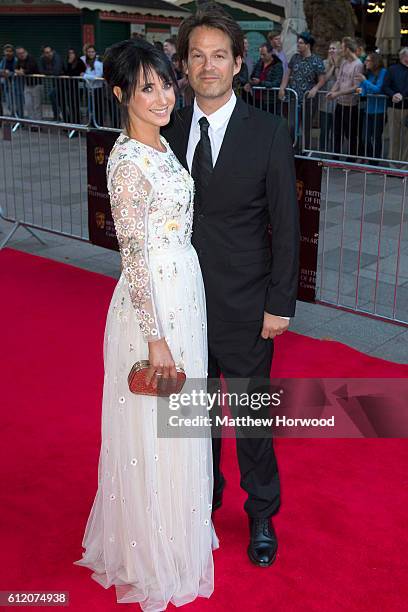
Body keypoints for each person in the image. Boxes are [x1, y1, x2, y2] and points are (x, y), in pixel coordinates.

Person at [73, 38, 218, 610]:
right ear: (120, 95)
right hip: (150, 306)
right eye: (146, 88)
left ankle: (178, 532)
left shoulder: (161, 147)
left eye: (164, 83)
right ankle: (150, 551)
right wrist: (155, 340)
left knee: (181, 423)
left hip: (184, 290)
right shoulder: (129, 161)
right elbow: (132, 256)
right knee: (155, 429)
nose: (162, 97)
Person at [163, 5, 299, 567]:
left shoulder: (267, 131)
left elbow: (287, 223)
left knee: (250, 418)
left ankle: (261, 512)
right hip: (183, 305)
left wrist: (279, 303)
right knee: (196, 418)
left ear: (239, 63)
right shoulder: (165, 127)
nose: (208, 65)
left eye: (219, 55)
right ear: (185, 66)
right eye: (197, 55)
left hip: (247, 305)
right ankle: (204, 502)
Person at [279, 32, 326, 150]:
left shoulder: (316, 60)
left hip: (308, 99)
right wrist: (282, 87)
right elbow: (287, 73)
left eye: (301, 43)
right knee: (291, 124)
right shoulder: (295, 58)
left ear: (308, 45)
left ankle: (305, 149)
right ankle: (291, 148)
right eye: (298, 43)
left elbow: (322, 80)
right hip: (293, 97)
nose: (298, 45)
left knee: (306, 126)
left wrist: (315, 89)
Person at [327, 37, 363, 159]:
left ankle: (352, 158)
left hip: (351, 105)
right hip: (340, 103)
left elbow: (355, 87)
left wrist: (338, 93)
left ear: (347, 49)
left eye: (342, 47)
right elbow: (339, 80)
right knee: (337, 132)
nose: (341, 50)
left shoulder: (358, 64)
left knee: (350, 134)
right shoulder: (344, 63)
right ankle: (335, 158)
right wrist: (332, 91)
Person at [356, 52, 387, 161]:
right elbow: (362, 91)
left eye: (368, 60)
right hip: (368, 110)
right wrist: (359, 90)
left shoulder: (383, 72)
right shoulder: (368, 74)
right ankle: (369, 158)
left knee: (376, 138)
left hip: (379, 111)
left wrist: (364, 82)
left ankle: (375, 162)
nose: (365, 63)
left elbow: (378, 89)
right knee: (365, 137)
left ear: (375, 62)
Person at [383, 47, 408, 163]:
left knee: (406, 138)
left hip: (407, 108)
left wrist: (402, 95)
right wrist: (394, 94)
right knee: (394, 137)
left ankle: (404, 164)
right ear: (403, 57)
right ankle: (393, 163)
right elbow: (385, 87)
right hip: (394, 108)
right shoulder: (392, 69)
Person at [318, 41, 341, 153]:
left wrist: (336, 65)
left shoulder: (343, 63)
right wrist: (332, 66)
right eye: (330, 48)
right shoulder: (324, 63)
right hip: (325, 101)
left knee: (336, 129)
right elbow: (324, 79)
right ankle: (323, 150)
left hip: (338, 101)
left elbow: (339, 80)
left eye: (334, 48)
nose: (331, 50)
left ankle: (335, 152)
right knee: (325, 128)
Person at [250, 42, 283, 112]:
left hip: (270, 100)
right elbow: (252, 76)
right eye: (261, 54)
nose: (261, 57)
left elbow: (276, 83)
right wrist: (250, 82)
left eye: (264, 55)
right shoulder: (259, 62)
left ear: (271, 53)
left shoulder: (277, 65)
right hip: (257, 98)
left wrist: (260, 82)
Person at [15, 46, 41, 120]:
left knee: (36, 105)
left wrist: (22, 71)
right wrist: (20, 71)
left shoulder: (31, 58)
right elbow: (16, 69)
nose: (21, 55)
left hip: (36, 84)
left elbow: (30, 70)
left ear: (25, 52)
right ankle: (32, 122)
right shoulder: (19, 60)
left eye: (22, 53)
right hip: (27, 84)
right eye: (19, 54)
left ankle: (39, 123)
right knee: (28, 104)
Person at [62, 49, 86, 124]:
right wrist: (69, 64)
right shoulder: (68, 62)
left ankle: (77, 122)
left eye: (72, 53)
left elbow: (76, 73)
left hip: (78, 87)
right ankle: (73, 122)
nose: (71, 55)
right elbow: (67, 73)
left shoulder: (79, 62)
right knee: (71, 105)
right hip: (70, 87)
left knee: (76, 105)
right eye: (69, 53)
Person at [39, 45, 63, 120]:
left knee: (61, 100)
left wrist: (48, 72)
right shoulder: (43, 58)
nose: (48, 54)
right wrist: (50, 72)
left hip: (64, 83)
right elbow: (41, 70)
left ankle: (65, 118)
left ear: (52, 51)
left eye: (49, 52)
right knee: (53, 96)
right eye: (46, 53)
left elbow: (56, 71)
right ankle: (56, 116)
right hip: (56, 83)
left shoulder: (57, 57)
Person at [82, 45, 105, 127]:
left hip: (97, 88)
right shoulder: (86, 62)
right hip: (88, 88)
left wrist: (85, 75)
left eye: (92, 52)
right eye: (89, 52)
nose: (90, 53)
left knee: (98, 108)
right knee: (90, 108)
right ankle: (92, 123)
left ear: (95, 53)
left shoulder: (98, 63)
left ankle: (99, 125)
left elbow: (98, 76)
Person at [0, 44, 24, 117]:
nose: (8, 53)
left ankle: (20, 119)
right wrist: (2, 72)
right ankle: (13, 118)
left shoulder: (17, 60)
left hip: (17, 85)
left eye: (10, 51)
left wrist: (9, 73)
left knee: (18, 104)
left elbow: (19, 71)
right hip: (7, 85)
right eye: (6, 51)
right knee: (9, 104)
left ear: (13, 52)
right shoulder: (3, 61)